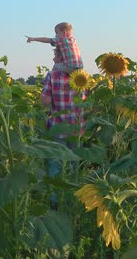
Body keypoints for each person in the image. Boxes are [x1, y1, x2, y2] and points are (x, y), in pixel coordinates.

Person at [40, 47, 87, 209]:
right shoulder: (82, 77)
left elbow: (45, 101)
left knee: (55, 164)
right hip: (77, 129)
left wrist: (46, 96)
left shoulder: (52, 76)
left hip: (58, 128)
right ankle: (75, 198)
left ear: (62, 57)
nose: (53, 59)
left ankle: (55, 201)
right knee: (75, 165)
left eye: (55, 55)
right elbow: (87, 101)